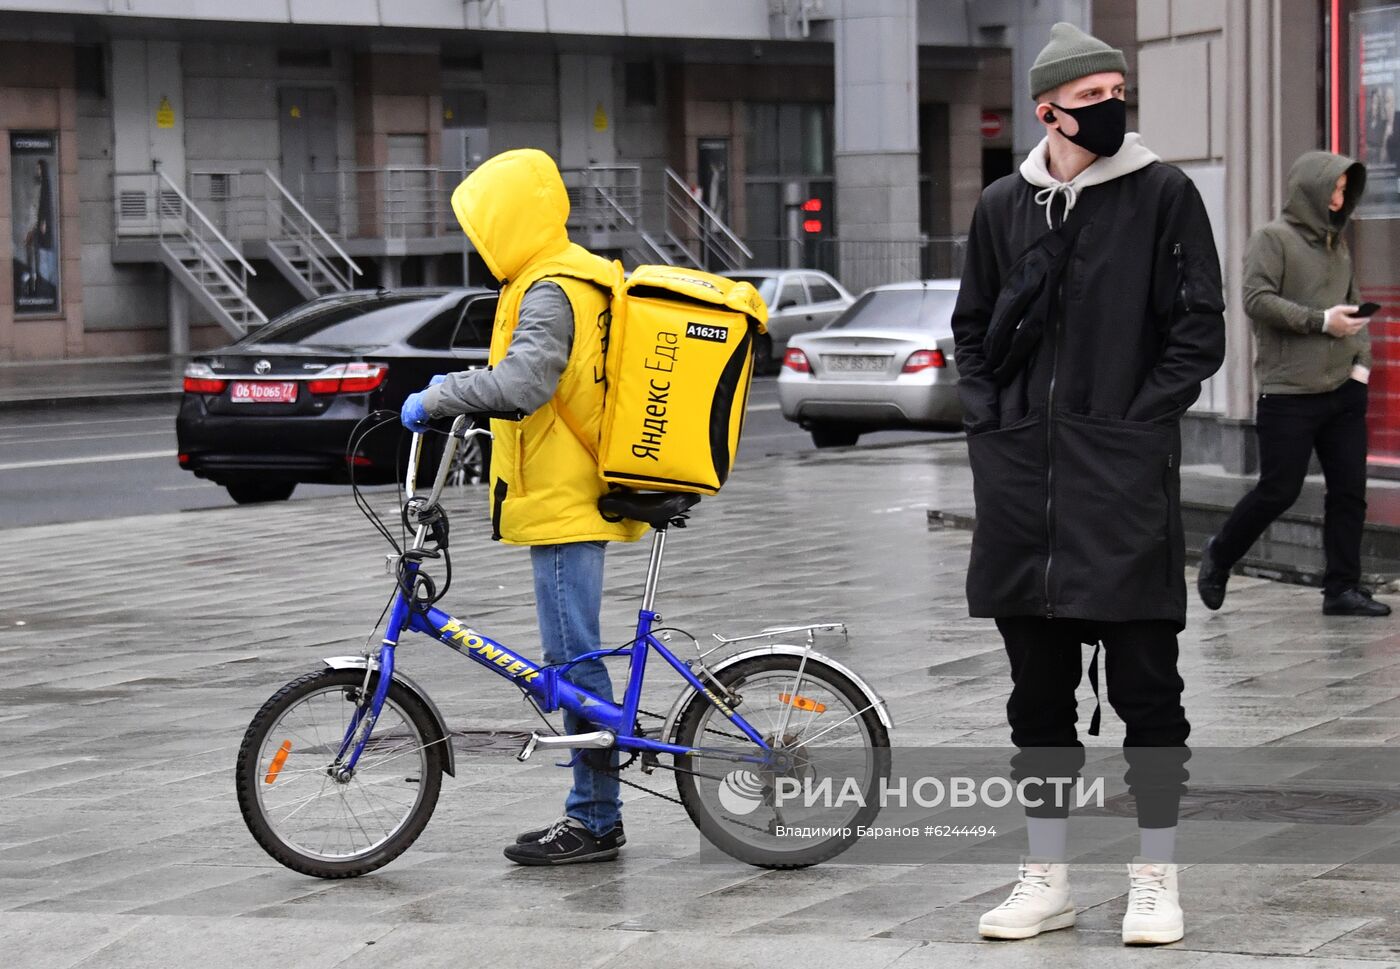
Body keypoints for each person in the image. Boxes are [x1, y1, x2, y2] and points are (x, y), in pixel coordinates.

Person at [951, 22, 1225, 946]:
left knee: (1150, 688)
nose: (1113, 109)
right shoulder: (1000, 206)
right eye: (1094, 96)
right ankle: (1046, 876)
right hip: (1024, 485)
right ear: (1048, 109)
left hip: (1123, 480)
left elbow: (1200, 331)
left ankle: (1156, 875)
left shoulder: (1164, 195)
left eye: (1120, 93)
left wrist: (1135, 421)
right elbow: (974, 329)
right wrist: (993, 426)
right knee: (1037, 695)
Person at [400, 148, 648, 865]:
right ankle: (594, 810)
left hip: (568, 500)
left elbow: (526, 382)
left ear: (511, 219)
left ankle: (596, 818)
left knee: (574, 662)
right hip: (564, 495)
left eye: (484, 225)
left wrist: (439, 395)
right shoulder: (561, 274)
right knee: (572, 659)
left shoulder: (550, 286)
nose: (478, 242)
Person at [1197, 153, 1389, 617]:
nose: (1340, 199)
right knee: (1279, 490)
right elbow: (1255, 299)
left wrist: (1361, 366)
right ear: (1311, 190)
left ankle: (1341, 589)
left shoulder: (1335, 242)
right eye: (1334, 190)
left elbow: (1354, 304)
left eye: (1346, 191)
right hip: (1289, 394)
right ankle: (1219, 555)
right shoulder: (1272, 239)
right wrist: (1319, 322)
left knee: (1349, 492)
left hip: (1343, 391)